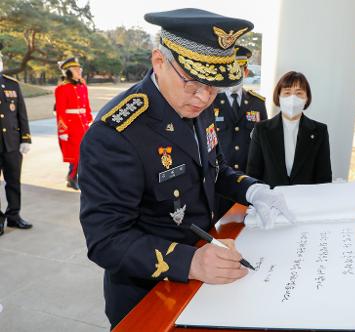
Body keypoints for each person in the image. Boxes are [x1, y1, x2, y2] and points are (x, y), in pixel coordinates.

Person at [78, 8, 294, 328]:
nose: (204, 98)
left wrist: (252, 188)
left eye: (214, 87)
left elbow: (214, 167)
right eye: (193, 83)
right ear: (159, 61)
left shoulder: (195, 103)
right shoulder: (116, 133)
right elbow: (106, 240)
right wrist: (190, 262)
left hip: (207, 269)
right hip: (149, 289)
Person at [246, 71, 332, 186]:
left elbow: (324, 177)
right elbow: (253, 175)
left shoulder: (320, 131)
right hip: (270, 200)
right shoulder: (262, 130)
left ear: (307, 98)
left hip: (306, 200)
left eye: (299, 93)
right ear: (279, 97)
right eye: (287, 93)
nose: (293, 98)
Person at [213, 45, 267, 220]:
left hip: (248, 184)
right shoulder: (210, 102)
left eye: (238, 70)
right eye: (229, 70)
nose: (234, 75)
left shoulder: (257, 103)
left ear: (246, 72)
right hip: (219, 186)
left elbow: (264, 147)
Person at [0, 42, 33, 236]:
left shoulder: (11, 84)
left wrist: (25, 138)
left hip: (12, 143)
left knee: (14, 181)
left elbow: (21, 114)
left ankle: (14, 215)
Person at [54, 57, 92, 190]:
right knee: (76, 154)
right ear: (68, 72)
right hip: (72, 126)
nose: (79, 71)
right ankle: (71, 177)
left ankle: (77, 177)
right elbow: (60, 111)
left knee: (85, 151)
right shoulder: (62, 89)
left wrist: (88, 119)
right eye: (76, 70)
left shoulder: (82, 86)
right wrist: (63, 130)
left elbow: (86, 105)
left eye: (79, 69)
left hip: (83, 124)